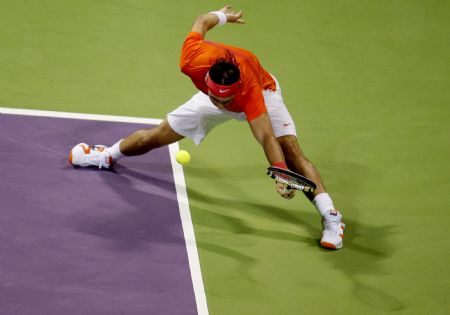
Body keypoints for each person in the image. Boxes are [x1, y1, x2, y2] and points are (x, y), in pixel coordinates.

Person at [69, 6, 345, 249]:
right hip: (214, 99)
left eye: (223, 98)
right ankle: (106, 155)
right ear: (208, 81)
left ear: (235, 89)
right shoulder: (193, 60)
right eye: (214, 95)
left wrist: (281, 173)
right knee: (158, 135)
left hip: (265, 93)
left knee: (290, 150)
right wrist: (223, 16)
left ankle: (331, 216)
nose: (219, 102)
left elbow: (265, 136)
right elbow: (201, 21)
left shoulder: (249, 89)